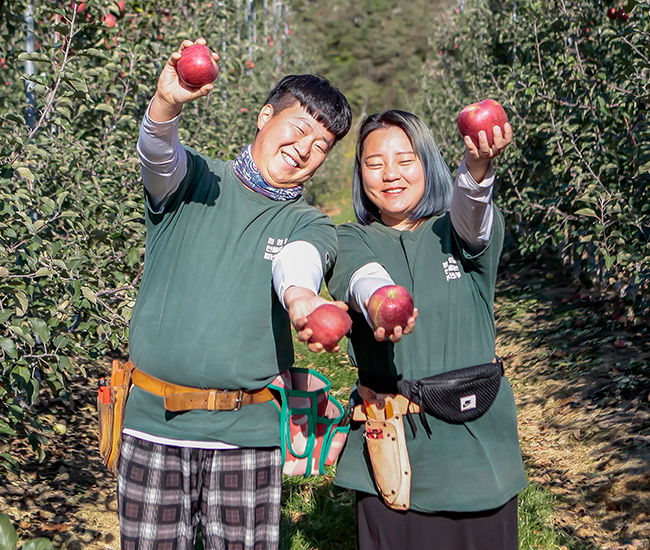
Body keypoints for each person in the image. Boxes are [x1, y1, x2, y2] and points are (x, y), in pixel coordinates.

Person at [118, 38, 352, 550]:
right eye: (299, 128)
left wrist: (302, 301)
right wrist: (167, 104)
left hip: (245, 435)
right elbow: (158, 155)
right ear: (266, 116)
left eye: (322, 146)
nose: (304, 149)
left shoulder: (309, 223)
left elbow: (298, 263)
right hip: (154, 424)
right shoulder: (196, 179)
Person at [326, 109, 527, 550]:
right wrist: (382, 304)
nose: (390, 174)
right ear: (360, 174)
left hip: (475, 447)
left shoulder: (454, 231)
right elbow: (363, 279)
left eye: (406, 159)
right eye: (374, 163)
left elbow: (472, 211)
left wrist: (477, 169)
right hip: (394, 453)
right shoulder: (349, 238)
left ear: (429, 164)